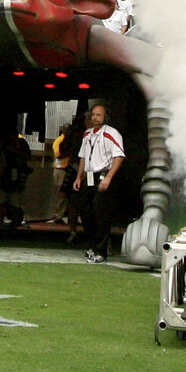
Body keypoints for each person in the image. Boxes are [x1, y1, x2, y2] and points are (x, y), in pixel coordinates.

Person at [73, 103, 126, 263]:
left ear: (105, 117)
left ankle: (101, 250)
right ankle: (93, 245)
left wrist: (108, 177)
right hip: (88, 177)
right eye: (93, 114)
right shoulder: (87, 134)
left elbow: (119, 156)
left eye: (99, 115)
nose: (95, 117)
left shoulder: (111, 133)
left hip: (103, 176)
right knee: (85, 211)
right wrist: (78, 177)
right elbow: (83, 157)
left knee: (101, 213)